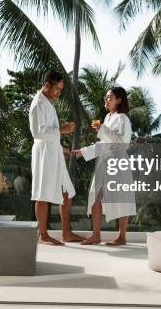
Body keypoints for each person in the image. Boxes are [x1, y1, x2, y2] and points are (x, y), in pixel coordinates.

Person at [72, 87, 136, 246]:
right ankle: (96, 235)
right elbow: (103, 144)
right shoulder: (107, 117)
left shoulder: (123, 118)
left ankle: (122, 236)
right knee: (95, 196)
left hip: (118, 161)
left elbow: (124, 143)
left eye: (110, 97)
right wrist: (83, 151)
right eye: (106, 97)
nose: (106, 100)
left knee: (122, 198)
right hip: (104, 162)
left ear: (119, 100)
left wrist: (103, 129)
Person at [29, 70, 84, 245]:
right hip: (43, 154)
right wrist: (62, 129)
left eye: (60, 89)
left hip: (53, 153)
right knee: (42, 193)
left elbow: (49, 133)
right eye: (57, 89)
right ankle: (43, 235)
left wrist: (61, 148)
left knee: (66, 191)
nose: (59, 93)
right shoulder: (38, 104)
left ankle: (66, 233)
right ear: (46, 85)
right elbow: (37, 133)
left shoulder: (48, 102)